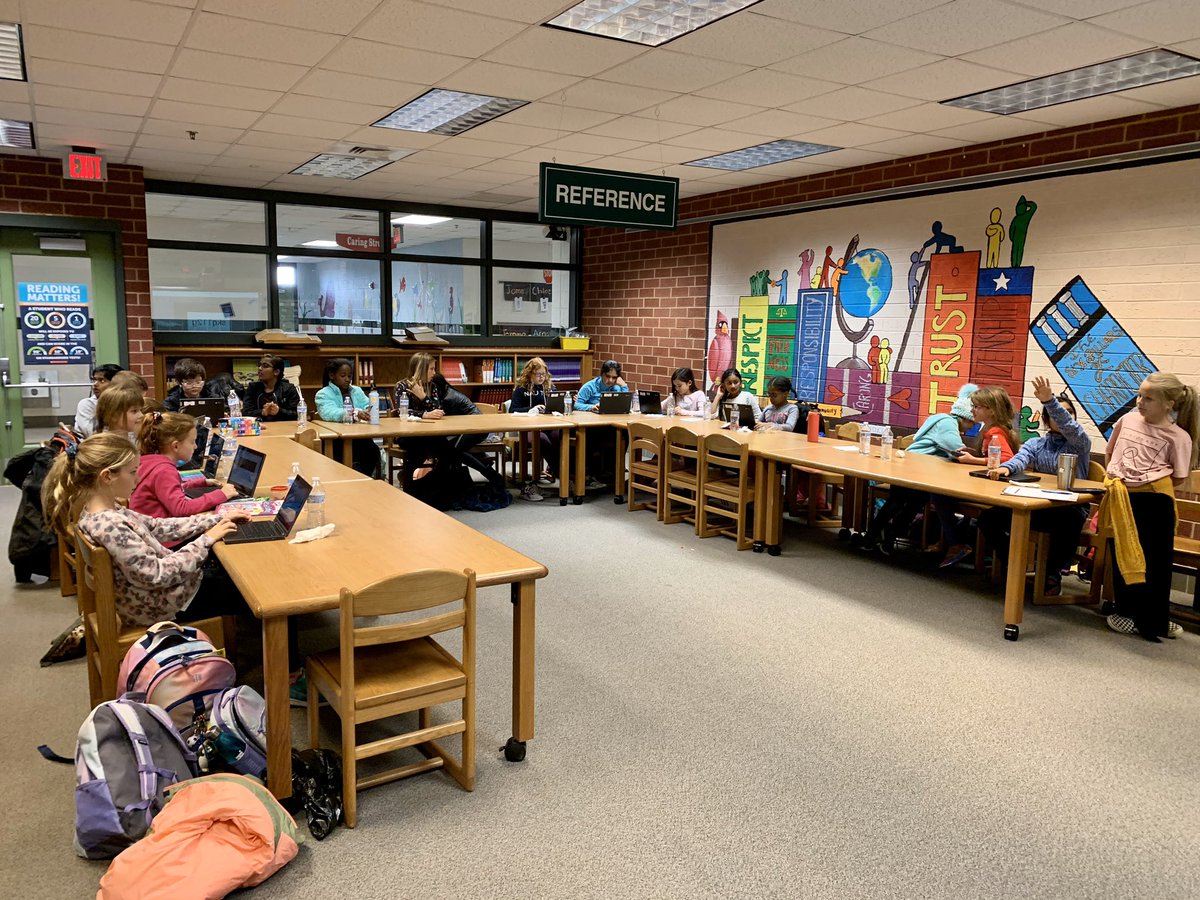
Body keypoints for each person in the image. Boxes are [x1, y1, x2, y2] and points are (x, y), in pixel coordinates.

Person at [40, 432, 248, 629]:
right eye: (132, 472)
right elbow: (158, 574)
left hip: (157, 596)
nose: (138, 479)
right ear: (107, 476)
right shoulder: (111, 526)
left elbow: (157, 527)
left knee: (225, 572)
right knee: (243, 587)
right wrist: (206, 539)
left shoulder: (103, 511)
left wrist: (214, 520)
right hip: (163, 606)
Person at [1101, 372, 1198, 640]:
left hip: (1155, 501)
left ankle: (1155, 619)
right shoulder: (1128, 419)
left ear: (1169, 404)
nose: (1140, 402)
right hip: (1123, 497)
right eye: (1139, 395)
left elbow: (1178, 477)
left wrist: (1146, 482)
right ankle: (1126, 613)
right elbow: (1110, 450)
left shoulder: (1179, 437)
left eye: (1148, 398)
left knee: (1155, 561)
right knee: (1124, 553)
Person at [978, 377, 1091, 596]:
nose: (1065, 417)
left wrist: (1050, 402)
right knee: (988, 518)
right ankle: (1014, 563)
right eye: (1059, 413)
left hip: (1069, 508)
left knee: (1068, 520)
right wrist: (1006, 468)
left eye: (1069, 413)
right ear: (1047, 420)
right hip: (1039, 505)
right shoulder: (1036, 443)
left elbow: (1070, 427)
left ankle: (1051, 574)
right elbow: (1020, 459)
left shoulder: (1080, 443)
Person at [856, 383, 978, 555]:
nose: (972, 427)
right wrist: (978, 458)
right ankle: (878, 536)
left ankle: (879, 536)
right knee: (902, 501)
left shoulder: (941, 419)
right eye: (972, 422)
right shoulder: (948, 424)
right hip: (914, 469)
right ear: (964, 417)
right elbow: (958, 451)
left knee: (908, 501)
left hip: (912, 466)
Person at [935, 386, 1019, 569]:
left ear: (991, 410)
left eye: (977, 406)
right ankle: (954, 541)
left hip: (991, 489)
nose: (972, 410)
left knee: (940, 495)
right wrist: (974, 454)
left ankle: (956, 543)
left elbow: (1006, 459)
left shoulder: (995, 432)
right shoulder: (991, 429)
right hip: (987, 485)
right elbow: (992, 455)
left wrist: (973, 460)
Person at [130, 411, 238, 524]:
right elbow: (181, 509)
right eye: (192, 442)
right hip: (159, 532)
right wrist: (222, 494)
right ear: (176, 446)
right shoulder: (164, 470)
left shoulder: (149, 461)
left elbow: (166, 490)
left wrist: (200, 483)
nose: (195, 446)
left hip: (147, 527)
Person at [316, 358, 377, 477]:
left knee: (372, 450)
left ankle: (364, 479)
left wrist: (368, 410)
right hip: (337, 439)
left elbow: (367, 404)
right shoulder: (323, 394)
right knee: (350, 453)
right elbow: (329, 412)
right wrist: (354, 413)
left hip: (359, 435)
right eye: (343, 376)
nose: (347, 379)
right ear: (332, 375)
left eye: (349, 376)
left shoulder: (357, 390)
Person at [511, 357, 560, 502]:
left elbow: (558, 404)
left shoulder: (550, 387)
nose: (541, 377)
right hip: (528, 428)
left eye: (543, 374)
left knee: (560, 436)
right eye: (538, 374)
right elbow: (513, 409)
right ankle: (562, 472)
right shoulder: (521, 388)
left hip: (549, 425)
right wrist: (532, 409)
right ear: (529, 374)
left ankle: (560, 471)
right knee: (542, 440)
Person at [243, 354, 300, 421]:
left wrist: (279, 411)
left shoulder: (289, 389)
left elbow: (297, 414)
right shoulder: (253, 388)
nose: (260, 368)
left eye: (265, 366)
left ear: (276, 372)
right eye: (259, 365)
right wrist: (262, 412)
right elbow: (245, 413)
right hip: (259, 426)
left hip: (282, 426)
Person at [74, 363, 123, 439]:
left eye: (102, 380)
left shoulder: (125, 403)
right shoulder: (87, 404)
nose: (95, 384)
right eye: (94, 380)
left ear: (116, 384)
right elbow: (91, 434)